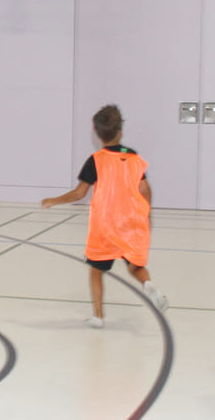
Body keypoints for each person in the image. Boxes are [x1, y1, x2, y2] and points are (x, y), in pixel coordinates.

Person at [42, 105, 167, 329]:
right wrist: (147, 214)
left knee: (96, 271)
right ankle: (147, 285)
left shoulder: (96, 160)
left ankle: (98, 316)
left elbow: (79, 193)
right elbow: (145, 190)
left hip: (105, 225)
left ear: (96, 132)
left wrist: (54, 200)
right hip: (132, 222)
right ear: (120, 131)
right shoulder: (133, 157)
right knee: (135, 266)